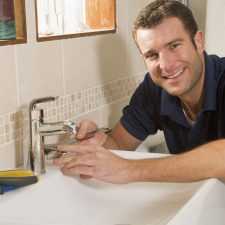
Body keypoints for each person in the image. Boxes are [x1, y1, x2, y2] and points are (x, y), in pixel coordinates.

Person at [53, 0, 225, 184]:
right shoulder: (154, 89)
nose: (165, 66)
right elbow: (118, 143)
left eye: (174, 46)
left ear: (198, 42)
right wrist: (94, 143)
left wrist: (129, 169)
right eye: (152, 55)